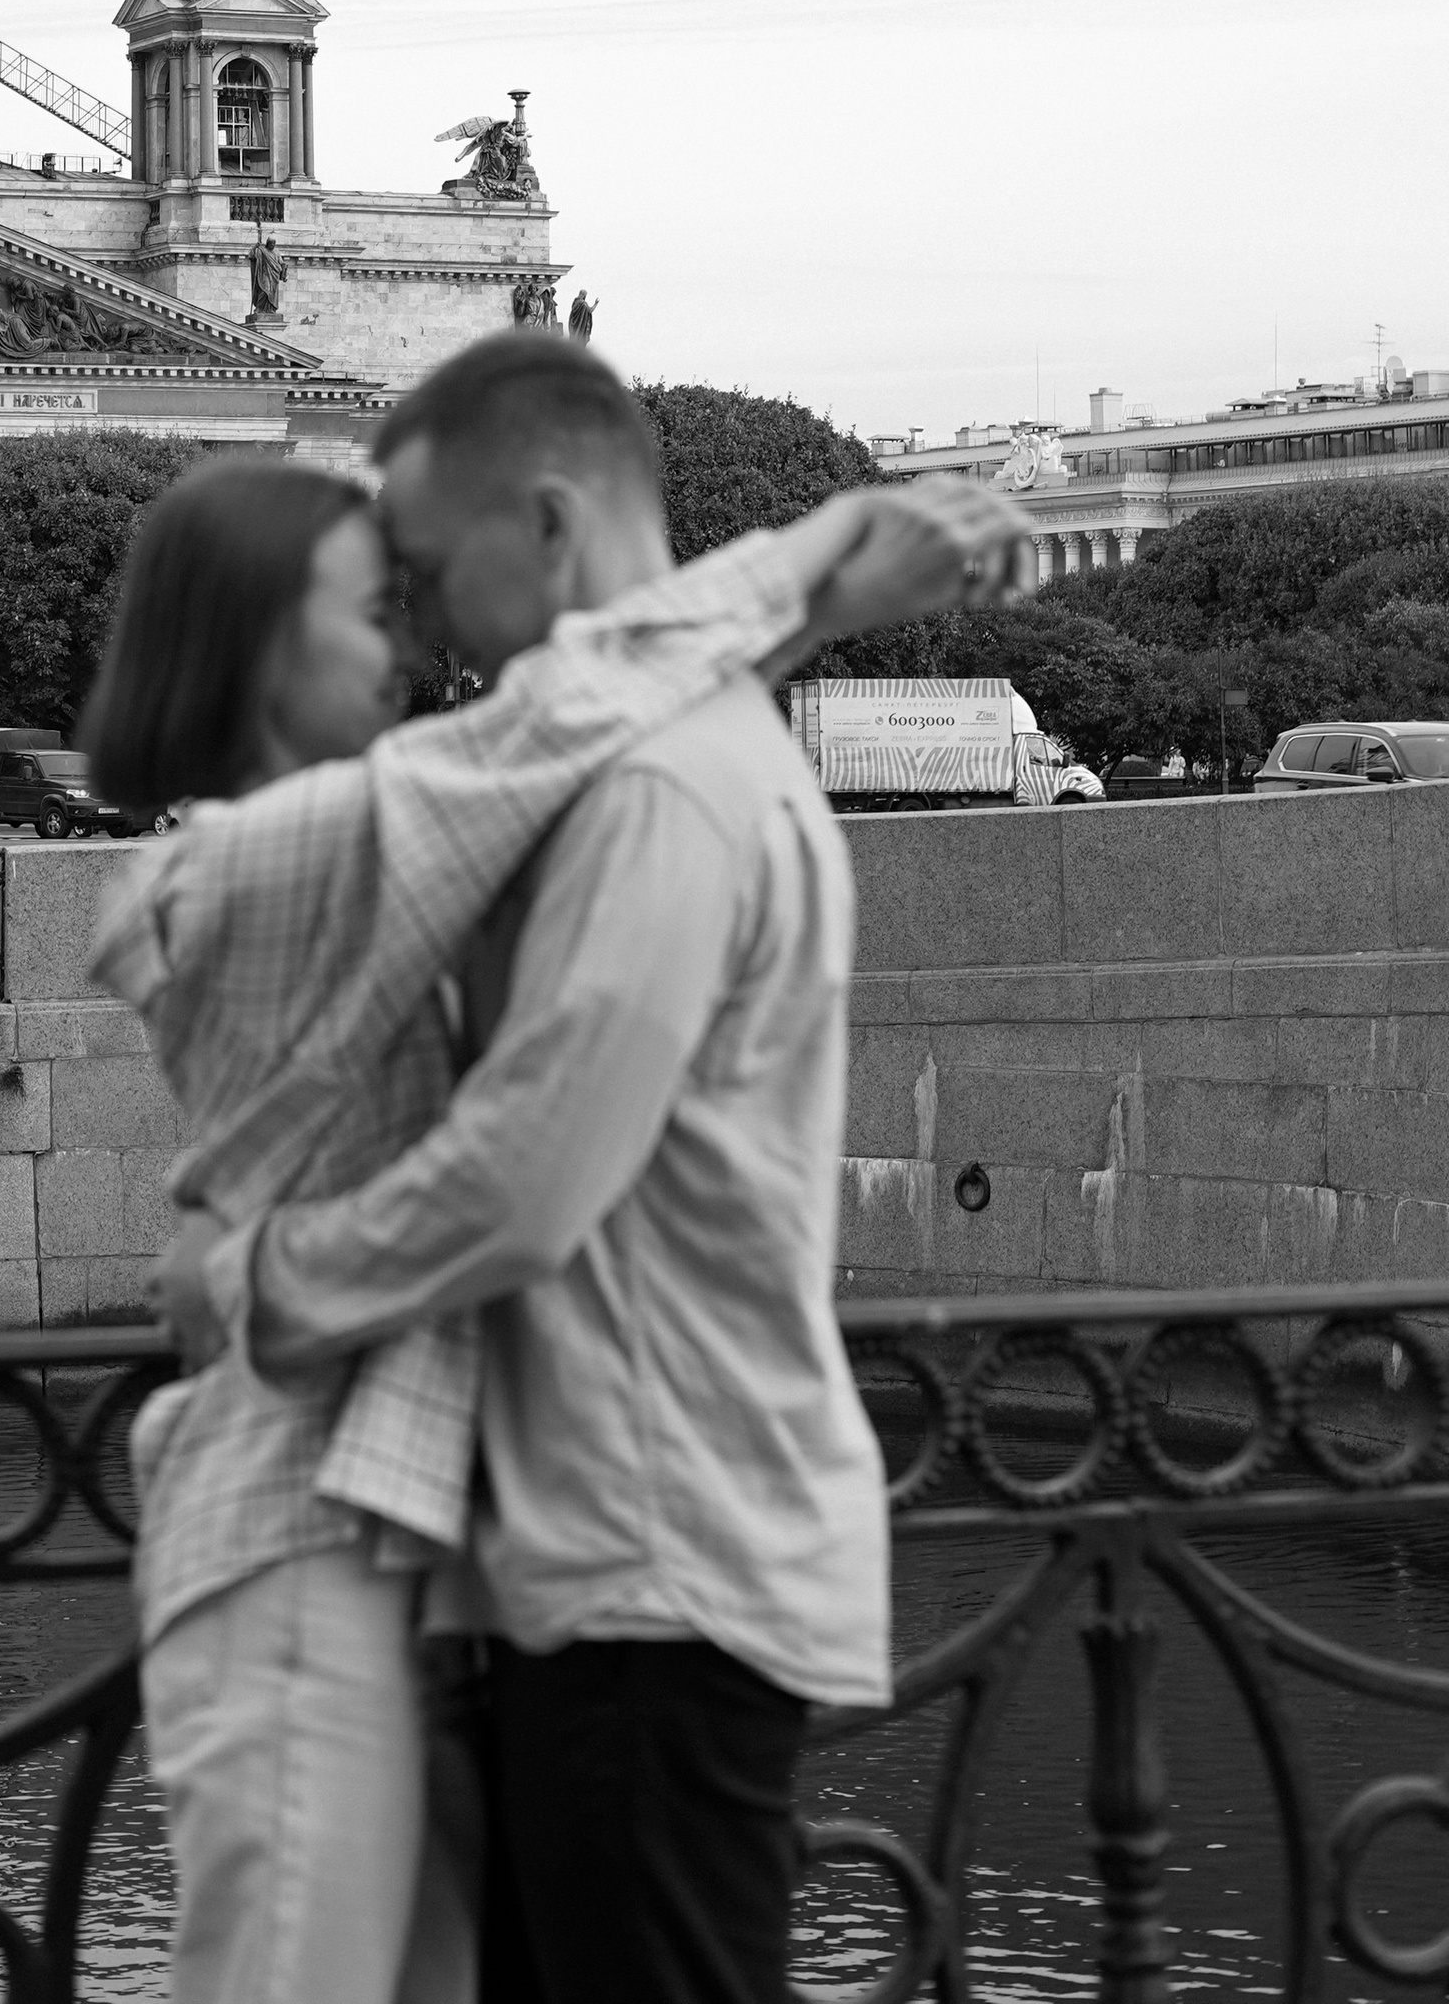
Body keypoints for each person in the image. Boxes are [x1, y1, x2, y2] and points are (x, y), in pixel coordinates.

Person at [89, 432, 1015, 2004]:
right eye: (375, 609)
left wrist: (805, 601)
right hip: (297, 1532)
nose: (415, 647)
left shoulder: (373, 840)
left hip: (391, 1534)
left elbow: (581, 728)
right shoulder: (242, 868)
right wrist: (820, 552)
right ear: (256, 648)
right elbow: (562, 719)